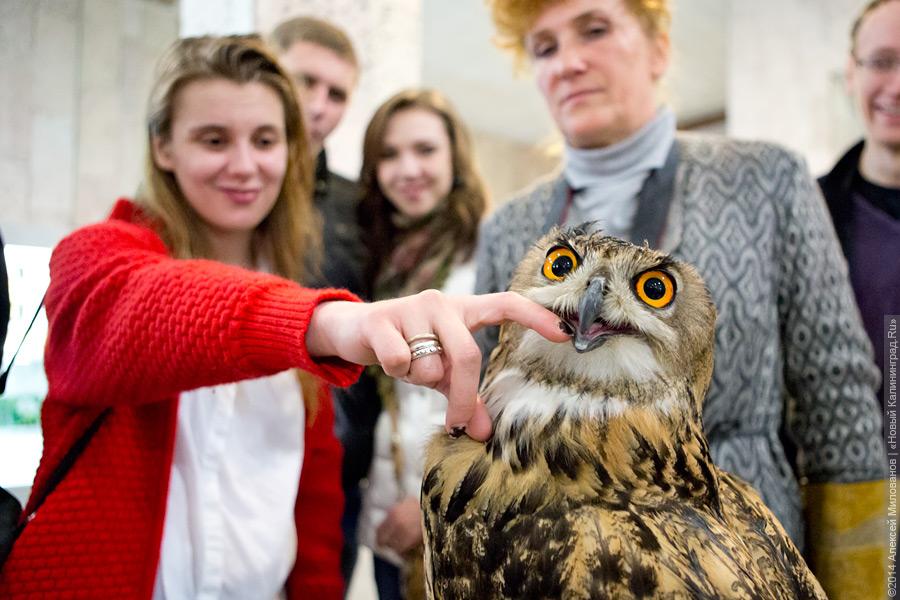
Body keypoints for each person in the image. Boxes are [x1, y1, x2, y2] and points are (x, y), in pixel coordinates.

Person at [0, 35, 567, 599]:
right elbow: (140, 308)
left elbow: (314, 509)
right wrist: (329, 324)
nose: (244, 165)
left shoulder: (298, 291)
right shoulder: (97, 257)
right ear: (164, 147)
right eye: (213, 139)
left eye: (265, 140)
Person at [476, 1, 886, 598]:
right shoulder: (509, 227)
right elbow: (486, 410)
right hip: (551, 561)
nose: (569, 63)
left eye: (594, 30)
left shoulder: (767, 178)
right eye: (545, 47)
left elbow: (838, 397)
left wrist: (861, 585)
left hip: (741, 557)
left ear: (659, 48)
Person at [355, 89, 488, 600]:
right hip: (389, 520)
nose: (408, 169)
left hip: (458, 519)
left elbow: (501, 399)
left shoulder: (486, 254)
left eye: (425, 150)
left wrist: (426, 500)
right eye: (388, 155)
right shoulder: (380, 259)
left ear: (455, 157)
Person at [268, 17, 376, 587]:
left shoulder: (360, 207)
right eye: (305, 80)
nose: (319, 104)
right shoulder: (223, 192)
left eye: (337, 94)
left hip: (335, 467)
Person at [819, 0, 900, 417]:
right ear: (852, 73)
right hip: (848, 479)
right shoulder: (807, 217)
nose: (898, 85)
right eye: (882, 62)